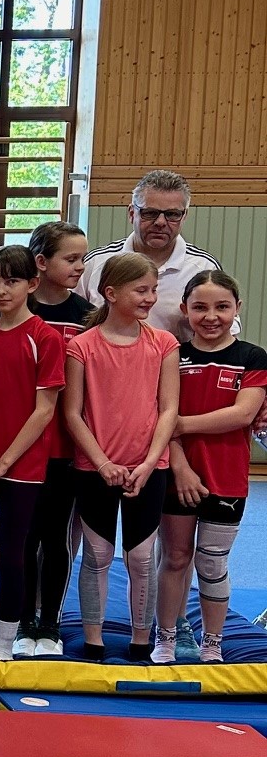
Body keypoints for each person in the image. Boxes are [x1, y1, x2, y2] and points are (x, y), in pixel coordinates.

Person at [64, 253, 181, 662]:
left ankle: (141, 639)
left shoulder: (163, 343)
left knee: (142, 558)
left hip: (149, 467)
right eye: (141, 290)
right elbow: (72, 413)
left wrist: (149, 463)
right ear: (111, 294)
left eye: (153, 290)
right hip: (95, 467)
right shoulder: (82, 346)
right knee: (97, 555)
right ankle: (93, 637)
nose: (150, 298)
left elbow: (169, 408)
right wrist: (101, 463)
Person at [0, 246, 66, 661]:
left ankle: (5, 640)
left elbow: (45, 410)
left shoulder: (45, 338)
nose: (1, 291)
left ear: (32, 284)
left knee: (10, 555)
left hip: (21, 467)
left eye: (11, 281)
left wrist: (4, 462)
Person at [155, 270, 267, 664]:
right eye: (200, 307)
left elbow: (242, 414)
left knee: (212, 562)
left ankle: (213, 642)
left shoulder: (252, 357)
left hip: (227, 478)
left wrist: (180, 424)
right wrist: (180, 466)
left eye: (222, 306)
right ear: (184, 309)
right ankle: (166, 637)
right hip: (177, 475)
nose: (211, 316)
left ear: (237, 308)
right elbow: (160, 414)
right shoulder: (173, 355)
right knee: (175, 558)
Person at [16, 222, 91, 657]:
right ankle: (23, 617)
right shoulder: (17, 308)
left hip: (66, 444)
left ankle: (51, 622)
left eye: (83, 258)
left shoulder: (88, 316)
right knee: (25, 536)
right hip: (22, 442)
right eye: (71, 259)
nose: (80, 267)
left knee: (57, 536)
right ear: (41, 262)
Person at [76, 171, 224, 338]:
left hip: (177, 355)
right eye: (150, 213)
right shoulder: (95, 264)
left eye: (172, 214)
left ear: (184, 217)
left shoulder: (203, 268)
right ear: (132, 213)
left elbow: (224, 333)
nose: (160, 222)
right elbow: (71, 325)